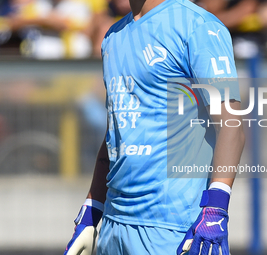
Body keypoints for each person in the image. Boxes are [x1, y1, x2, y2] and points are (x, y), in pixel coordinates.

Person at [64, 0, 245, 254]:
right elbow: (116, 129)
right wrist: (92, 208)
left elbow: (231, 123)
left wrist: (216, 207)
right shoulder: (112, 37)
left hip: (172, 228)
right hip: (113, 226)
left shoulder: (198, 26)